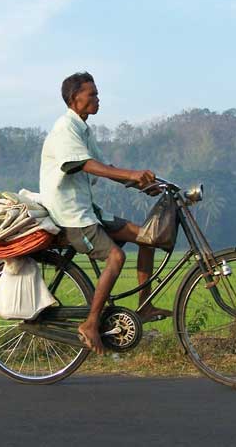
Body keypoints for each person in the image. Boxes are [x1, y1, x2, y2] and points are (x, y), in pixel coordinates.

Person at [39, 71, 172, 354]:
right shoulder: (64, 129)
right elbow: (88, 165)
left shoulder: (83, 130)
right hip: (71, 216)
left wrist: (142, 184)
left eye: (97, 94)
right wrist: (132, 174)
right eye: (92, 94)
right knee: (116, 255)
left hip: (88, 210)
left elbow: (105, 166)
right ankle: (90, 324)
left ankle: (144, 305)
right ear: (75, 99)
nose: (98, 99)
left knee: (148, 237)